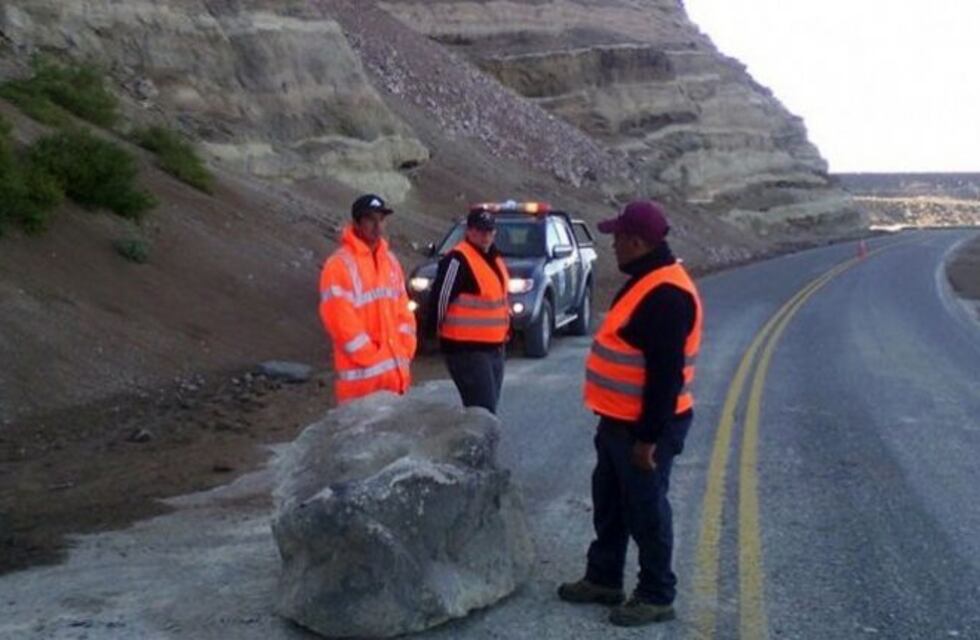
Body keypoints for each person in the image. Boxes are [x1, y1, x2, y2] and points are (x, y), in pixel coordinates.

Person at [558, 200, 703, 627]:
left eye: (617, 238)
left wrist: (647, 440)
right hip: (617, 421)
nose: (612, 245)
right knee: (611, 502)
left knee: (646, 509)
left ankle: (656, 593)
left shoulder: (666, 294)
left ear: (637, 242)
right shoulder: (645, 279)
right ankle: (604, 578)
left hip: (645, 429)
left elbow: (665, 376)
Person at [318, 194, 417, 403]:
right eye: (371, 219)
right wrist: (370, 356)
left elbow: (403, 311)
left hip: (397, 381)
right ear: (356, 224)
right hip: (361, 388)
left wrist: (406, 347)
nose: (377, 226)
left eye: (381, 219)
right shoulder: (339, 265)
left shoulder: (390, 261)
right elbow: (340, 321)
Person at [428, 208, 510, 413]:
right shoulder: (458, 259)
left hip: (494, 347)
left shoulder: (495, 258)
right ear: (470, 231)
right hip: (466, 349)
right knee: (482, 410)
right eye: (480, 231)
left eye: (490, 231)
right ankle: (477, 446)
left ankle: (479, 444)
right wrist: (432, 333)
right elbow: (440, 299)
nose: (486, 236)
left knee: (487, 410)